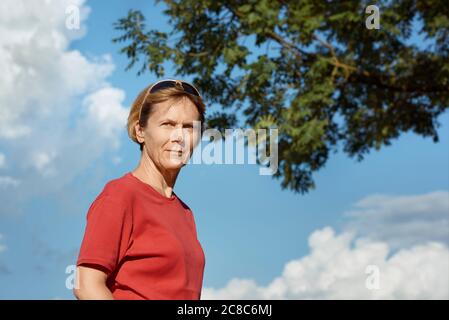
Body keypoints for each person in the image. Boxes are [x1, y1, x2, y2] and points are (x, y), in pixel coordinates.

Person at [74, 79, 206, 300]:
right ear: (140, 131)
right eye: (168, 124)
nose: (179, 137)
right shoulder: (120, 196)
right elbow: (86, 285)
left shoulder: (185, 213)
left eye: (189, 127)